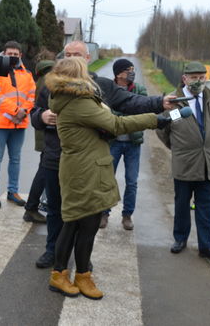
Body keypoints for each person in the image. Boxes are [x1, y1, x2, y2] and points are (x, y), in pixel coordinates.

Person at [31, 40, 175, 269]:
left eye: (76, 54)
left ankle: (80, 259)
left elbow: (131, 102)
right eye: (66, 54)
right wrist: (41, 117)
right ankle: (52, 252)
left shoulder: (100, 86)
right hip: (54, 157)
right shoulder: (50, 86)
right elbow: (34, 114)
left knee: (83, 215)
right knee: (56, 211)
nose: (70, 58)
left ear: (87, 59)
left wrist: (159, 102)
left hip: (86, 165)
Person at [45, 57, 163, 299]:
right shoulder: (78, 102)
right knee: (85, 225)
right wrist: (156, 119)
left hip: (82, 168)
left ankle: (63, 275)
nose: (90, 76)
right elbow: (116, 125)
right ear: (77, 76)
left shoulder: (69, 99)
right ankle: (78, 276)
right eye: (85, 72)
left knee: (73, 224)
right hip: (85, 171)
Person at [156, 61, 210, 263]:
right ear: (184, 78)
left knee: (206, 208)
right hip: (185, 163)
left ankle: (207, 246)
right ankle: (180, 239)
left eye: (201, 77)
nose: (198, 81)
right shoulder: (173, 101)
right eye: (193, 77)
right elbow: (161, 129)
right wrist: (179, 148)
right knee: (181, 205)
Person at [0, 40, 36, 208]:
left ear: (20, 55)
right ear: (3, 54)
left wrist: (23, 112)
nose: (12, 57)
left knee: (15, 159)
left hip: (19, 124)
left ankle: (13, 192)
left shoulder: (27, 74)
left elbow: (31, 96)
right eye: (9, 54)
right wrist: (15, 111)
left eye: (15, 54)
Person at [99, 58, 149, 231]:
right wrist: (128, 109)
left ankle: (127, 215)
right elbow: (106, 114)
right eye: (129, 69)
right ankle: (104, 213)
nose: (132, 72)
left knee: (132, 181)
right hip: (112, 142)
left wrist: (122, 112)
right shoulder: (106, 89)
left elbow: (143, 110)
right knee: (107, 179)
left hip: (133, 143)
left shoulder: (139, 89)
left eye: (133, 69)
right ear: (119, 73)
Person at [23, 59, 54, 223]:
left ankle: (33, 206)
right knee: (43, 172)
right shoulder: (49, 81)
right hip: (47, 134)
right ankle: (32, 208)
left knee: (43, 171)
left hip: (42, 132)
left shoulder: (41, 79)